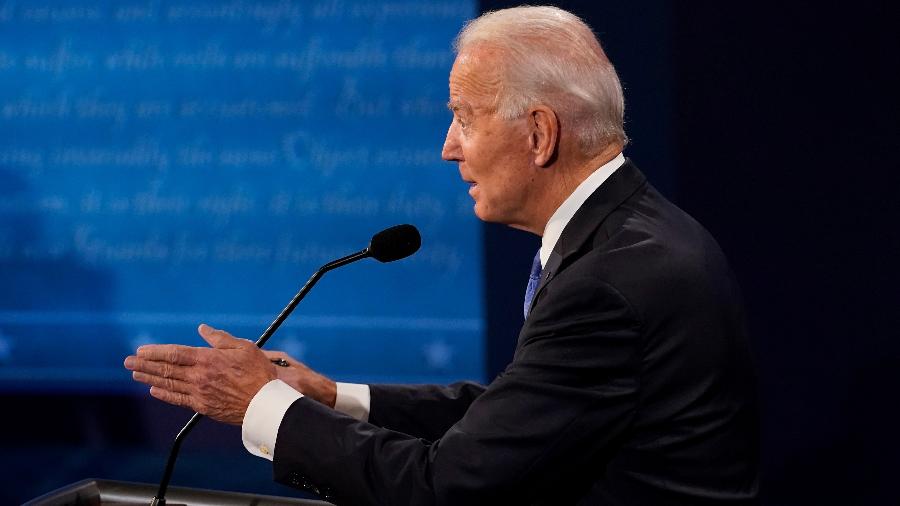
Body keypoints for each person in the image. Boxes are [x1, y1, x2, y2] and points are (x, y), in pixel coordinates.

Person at [125, 6, 759, 505]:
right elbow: (519, 413)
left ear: (538, 134)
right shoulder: (634, 234)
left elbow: (448, 487)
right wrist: (331, 396)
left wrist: (262, 405)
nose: (448, 148)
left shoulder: (612, 282)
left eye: (463, 117)